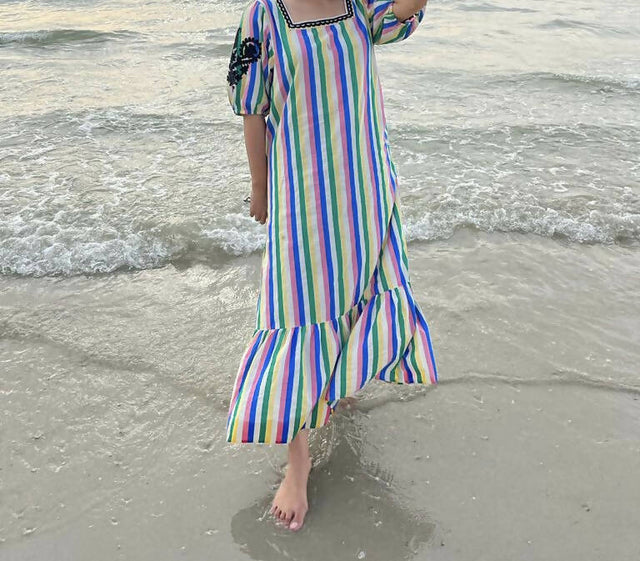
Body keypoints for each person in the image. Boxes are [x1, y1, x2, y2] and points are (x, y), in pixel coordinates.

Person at [225, 0, 437, 532]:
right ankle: (297, 463)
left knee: (356, 293)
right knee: (294, 312)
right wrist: (259, 186)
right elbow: (252, 108)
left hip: (364, 185)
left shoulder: (360, 5)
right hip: (301, 192)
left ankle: (337, 385)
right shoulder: (264, 16)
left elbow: (406, 10)